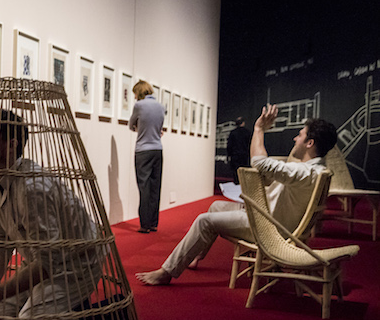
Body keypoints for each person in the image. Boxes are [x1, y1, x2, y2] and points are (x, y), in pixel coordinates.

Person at [136, 104, 337, 285]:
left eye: (300, 135)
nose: (295, 138)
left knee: (204, 220)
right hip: (274, 220)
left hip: (271, 228)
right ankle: (194, 255)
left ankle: (166, 272)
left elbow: (259, 162)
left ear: (310, 143)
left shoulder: (303, 172)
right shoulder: (314, 169)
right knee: (215, 207)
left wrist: (259, 130)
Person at [0, 108, 103, 320]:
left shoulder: (32, 188)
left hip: (75, 265)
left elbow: (48, 263)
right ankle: (39, 306)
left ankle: (82, 317)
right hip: (39, 262)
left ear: (11, 144)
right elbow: (1, 246)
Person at [128, 80, 164, 233]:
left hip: (143, 150)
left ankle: (144, 224)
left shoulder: (139, 106)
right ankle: (154, 223)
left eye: (135, 94)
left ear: (139, 92)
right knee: (156, 187)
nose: (135, 97)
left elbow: (131, 125)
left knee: (144, 187)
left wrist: (139, 128)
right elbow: (160, 129)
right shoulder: (161, 107)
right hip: (158, 149)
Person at [227, 116, 251, 184]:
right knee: (244, 173)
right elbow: (250, 145)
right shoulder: (248, 132)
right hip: (244, 156)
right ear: (243, 123)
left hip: (235, 156)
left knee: (236, 173)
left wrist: (229, 155)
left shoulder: (233, 133)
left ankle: (236, 186)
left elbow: (229, 145)